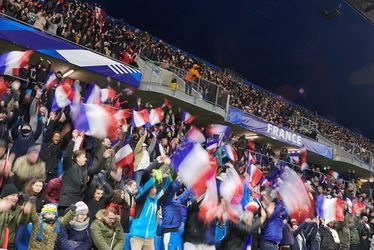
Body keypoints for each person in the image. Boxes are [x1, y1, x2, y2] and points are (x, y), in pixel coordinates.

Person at [58, 132, 109, 215]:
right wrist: (73, 140)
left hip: (78, 204)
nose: (86, 159)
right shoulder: (69, 166)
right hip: (66, 203)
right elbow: (67, 155)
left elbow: (96, 170)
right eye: (84, 157)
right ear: (77, 158)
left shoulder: (84, 170)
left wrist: (104, 158)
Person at [130, 171, 172, 250]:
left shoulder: (156, 199)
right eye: (152, 188)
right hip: (137, 236)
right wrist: (154, 178)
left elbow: (165, 186)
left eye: (155, 188)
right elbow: (146, 185)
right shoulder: (141, 198)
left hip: (150, 238)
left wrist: (171, 174)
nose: (155, 190)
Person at [0, 183, 32, 250]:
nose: (16, 198)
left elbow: (21, 222)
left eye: (17, 196)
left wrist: (24, 214)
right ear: (4, 196)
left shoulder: (18, 209)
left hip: (9, 243)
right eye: (13, 195)